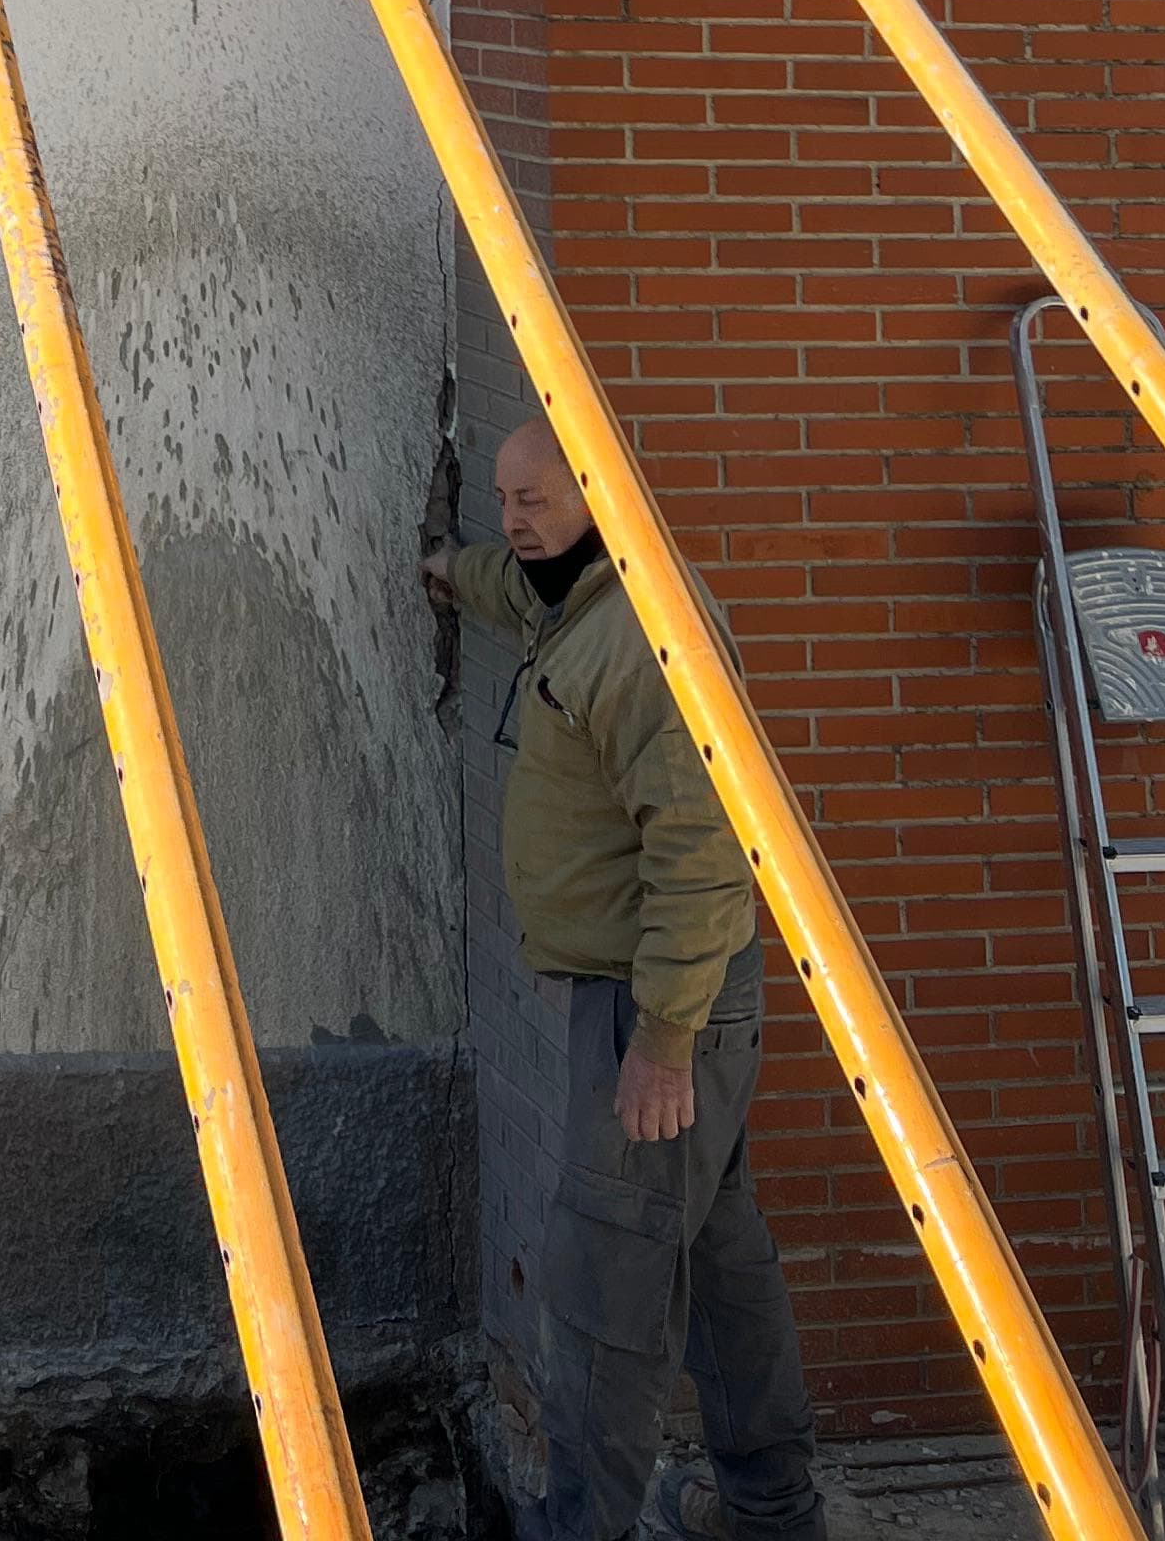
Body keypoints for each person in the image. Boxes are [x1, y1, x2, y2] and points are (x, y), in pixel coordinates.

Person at [425, 413, 824, 1541]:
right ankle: (770, 1513)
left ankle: (580, 1530)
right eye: (502, 501)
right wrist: (454, 573)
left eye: (535, 500)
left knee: (604, 1293)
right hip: (673, 996)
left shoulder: (642, 639)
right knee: (718, 1262)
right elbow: (519, 582)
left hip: (658, 1006)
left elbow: (701, 855)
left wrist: (659, 1044)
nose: (514, 519)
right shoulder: (585, 594)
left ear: (598, 493)